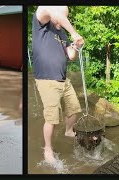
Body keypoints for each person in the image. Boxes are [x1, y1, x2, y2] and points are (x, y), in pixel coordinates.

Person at [32, 6, 84, 164]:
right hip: (47, 79)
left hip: (63, 79)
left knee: (74, 108)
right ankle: (48, 149)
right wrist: (74, 32)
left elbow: (71, 56)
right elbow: (53, 13)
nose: (63, 20)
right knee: (52, 118)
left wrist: (75, 45)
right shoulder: (41, 21)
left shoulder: (61, 33)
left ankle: (68, 131)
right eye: (62, 16)